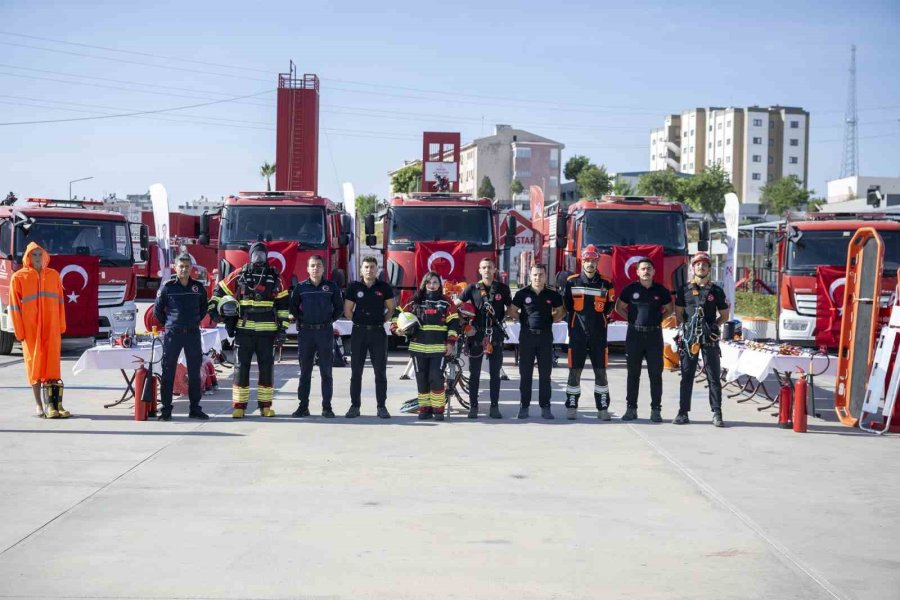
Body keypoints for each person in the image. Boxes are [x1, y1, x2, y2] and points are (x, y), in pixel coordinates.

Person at [211, 242, 289, 419]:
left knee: (266, 369)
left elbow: (284, 304)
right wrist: (214, 309)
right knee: (241, 368)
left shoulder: (275, 276)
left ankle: (265, 406)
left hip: (267, 333)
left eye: (262, 254)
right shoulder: (240, 274)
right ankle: (239, 406)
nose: (259, 258)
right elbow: (220, 289)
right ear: (250, 255)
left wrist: (283, 329)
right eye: (256, 254)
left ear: (267, 255)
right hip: (244, 331)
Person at [10, 242, 68, 418]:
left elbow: (60, 303)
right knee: (34, 366)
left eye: (39, 254)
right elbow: (14, 308)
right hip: (31, 329)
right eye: (33, 255)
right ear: (27, 257)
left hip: (51, 327)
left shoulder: (53, 276)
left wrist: (61, 325)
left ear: (45, 256)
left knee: (51, 366)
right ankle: (38, 404)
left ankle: (54, 405)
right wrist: (19, 331)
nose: (37, 258)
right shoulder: (19, 277)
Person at [674, 251, 730, 427]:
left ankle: (717, 413)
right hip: (690, 338)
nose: (701, 266)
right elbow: (679, 312)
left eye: (704, 264)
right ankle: (683, 412)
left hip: (709, 338)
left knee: (713, 376)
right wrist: (687, 329)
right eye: (697, 264)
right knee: (687, 375)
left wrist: (713, 327)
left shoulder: (716, 291)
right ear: (693, 267)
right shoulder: (684, 290)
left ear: (709, 268)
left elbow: (725, 315)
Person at [615, 258, 673, 422]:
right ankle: (631, 409)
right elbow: (619, 307)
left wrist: (658, 319)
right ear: (637, 272)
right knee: (633, 374)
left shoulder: (661, 290)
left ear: (654, 272)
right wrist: (632, 320)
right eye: (643, 269)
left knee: (656, 374)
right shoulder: (630, 289)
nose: (646, 271)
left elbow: (670, 309)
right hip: (635, 336)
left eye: (649, 268)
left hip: (654, 336)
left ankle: (656, 410)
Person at [395, 271, 460, 421]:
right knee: (421, 379)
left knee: (435, 378)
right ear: (424, 284)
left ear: (440, 284)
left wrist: (450, 343)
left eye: (435, 282)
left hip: (439, 349)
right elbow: (398, 316)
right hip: (418, 349)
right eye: (429, 282)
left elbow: (454, 323)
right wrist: (396, 329)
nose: (432, 285)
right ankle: (425, 409)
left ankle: (438, 410)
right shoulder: (415, 301)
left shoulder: (446, 302)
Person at [562, 245, 616, 420]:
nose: (590, 264)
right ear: (582, 261)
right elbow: (567, 306)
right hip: (577, 334)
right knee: (574, 371)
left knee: (600, 372)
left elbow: (610, 306)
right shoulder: (571, 281)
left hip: (598, 336)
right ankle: (571, 406)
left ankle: (602, 408)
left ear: (597, 261)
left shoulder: (607, 283)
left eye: (593, 260)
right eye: (587, 260)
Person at [155, 252, 210, 421]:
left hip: (192, 334)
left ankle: (195, 409)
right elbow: (158, 311)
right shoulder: (168, 287)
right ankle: (166, 410)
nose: (184, 269)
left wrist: (191, 322)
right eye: (181, 266)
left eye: (187, 267)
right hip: (174, 335)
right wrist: (172, 324)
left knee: (194, 373)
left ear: (191, 268)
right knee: (168, 372)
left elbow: (203, 309)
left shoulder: (198, 287)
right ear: (175, 267)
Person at [456, 257, 512, 419]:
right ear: (479, 270)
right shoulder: (471, 288)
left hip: (496, 334)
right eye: (484, 267)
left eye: (490, 267)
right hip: (477, 334)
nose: (487, 270)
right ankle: (473, 406)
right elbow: (456, 305)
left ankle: (494, 406)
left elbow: (511, 308)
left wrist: (502, 320)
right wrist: (464, 323)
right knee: (474, 373)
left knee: (495, 373)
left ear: (495, 270)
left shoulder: (503, 288)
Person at [508, 264, 565, 420]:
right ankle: (524, 406)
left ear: (545, 276)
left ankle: (545, 407)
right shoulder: (522, 294)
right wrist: (523, 319)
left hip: (545, 338)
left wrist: (550, 320)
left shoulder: (552, 295)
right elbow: (511, 310)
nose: (537, 277)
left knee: (545, 375)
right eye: (535, 275)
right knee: (525, 374)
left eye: (540, 274)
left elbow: (561, 311)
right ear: (530, 276)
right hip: (527, 338)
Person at [290, 255, 343, 418]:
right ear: (307, 269)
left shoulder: (331, 286)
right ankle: (303, 406)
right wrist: (303, 318)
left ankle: (327, 407)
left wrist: (328, 321)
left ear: (323, 268)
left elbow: (339, 308)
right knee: (305, 372)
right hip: (306, 333)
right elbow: (293, 308)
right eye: (312, 266)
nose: (315, 268)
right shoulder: (300, 287)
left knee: (326, 371)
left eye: (319, 265)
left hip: (324, 332)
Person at [344, 256, 395, 419]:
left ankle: (381, 407)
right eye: (366, 267)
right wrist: (360, 322)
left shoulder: (384, 287)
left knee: (380, 372)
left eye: (372, 267)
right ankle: (355, 406)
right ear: (361, 270)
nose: (369, 270)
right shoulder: (353, 287)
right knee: (356, 372)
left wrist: (379, 321)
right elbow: (348, 311)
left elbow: (391, 308)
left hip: (378, 333)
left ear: (377, 269)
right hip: (359, 332)